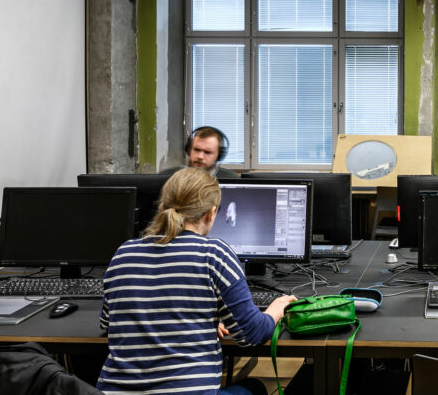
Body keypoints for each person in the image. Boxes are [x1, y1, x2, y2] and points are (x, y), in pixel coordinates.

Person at [98, 167, 297, 394]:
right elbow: (251, 334)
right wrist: (275, 310)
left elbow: (107, 323)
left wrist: (200, 319)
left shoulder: (123, 253)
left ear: (163, 206)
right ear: (211, 213)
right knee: (256, 388)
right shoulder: (214, 254)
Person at [164, 126, 238, 179]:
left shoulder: (231, 180)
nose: (200, 156)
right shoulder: (168, 177)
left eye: (207, 152)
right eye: (196, 150)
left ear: (218, 156)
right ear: (189, 150)